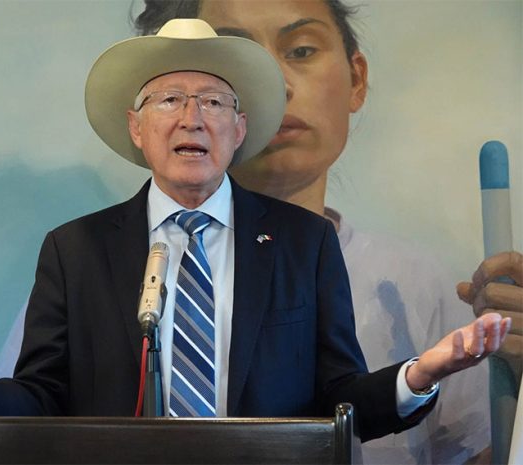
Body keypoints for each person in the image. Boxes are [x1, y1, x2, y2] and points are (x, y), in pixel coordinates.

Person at [0, 18, 509, 446]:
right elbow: (42, 401)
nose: (191, 118)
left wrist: (423, 372)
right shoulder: (77, 249)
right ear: (136, 128)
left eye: (213, 102)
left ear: (239, 129)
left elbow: (340, 402)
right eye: (169, 100)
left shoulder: (300, 243)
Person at [132, 1, 523, 464]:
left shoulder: (414, 283)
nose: (276, 84)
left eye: (300, 49)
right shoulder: (95, 261)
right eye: (233, 58)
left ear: (356, 78)